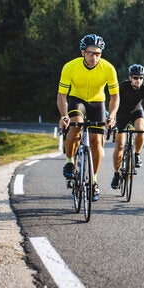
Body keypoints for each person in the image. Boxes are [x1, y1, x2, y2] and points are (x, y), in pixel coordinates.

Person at [56, 33, 120, 201]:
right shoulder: (70, 67)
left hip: (98, 103)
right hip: (77, 101)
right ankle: (69, 160)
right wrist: (64, 116)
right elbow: (62, 95)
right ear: (83, 52)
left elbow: (115, 96)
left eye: (98, 53)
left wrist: (112, 116)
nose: (94, 57)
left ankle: (93, 180)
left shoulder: (108, 68)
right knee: (76, 125)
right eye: (91, 53)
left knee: (96, 142)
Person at [111, 63, 144, 189]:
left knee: (141, 129)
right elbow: (113, 103)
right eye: (136, 78)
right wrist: (113, 121)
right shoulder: (122, 87)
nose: (139, 80)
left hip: (137, 111)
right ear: (130, 77)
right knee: (119, 145)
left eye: (141, 78)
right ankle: (116, 174)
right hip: (121, 113)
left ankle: (137, 154)